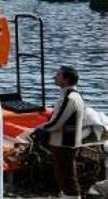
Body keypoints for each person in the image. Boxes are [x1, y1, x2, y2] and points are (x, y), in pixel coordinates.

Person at [33, 65, 85, 198]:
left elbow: (58, 122)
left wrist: (41, 129)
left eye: (58, 75)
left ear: (66, 80)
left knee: (67, 179)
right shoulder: (73, 96)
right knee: (65, 178)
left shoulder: (70, 98)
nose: (54, 77)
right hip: (67, 142)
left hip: (65, 143)